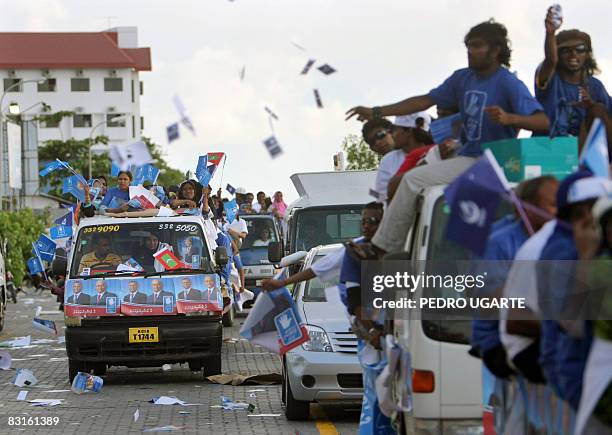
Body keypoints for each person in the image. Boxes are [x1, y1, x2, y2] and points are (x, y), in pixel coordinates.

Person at [346, 20, 549, 258]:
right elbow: (424, 101)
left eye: (477, 46)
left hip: (494, 161)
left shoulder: (508, 83)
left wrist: (509, 118)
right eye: (468, 47)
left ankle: (382, 248)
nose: (470, 52)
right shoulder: (463, 78)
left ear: (495, 50)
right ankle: (388, 247)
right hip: (468, 157)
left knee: (413, 181)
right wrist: (377, 112)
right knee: (411, 180)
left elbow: (543, 121)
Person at [262, 202, 383, 292]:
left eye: (371, 221)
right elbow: (317, 268)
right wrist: (283, 282)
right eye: (363, 222)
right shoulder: (353, 249)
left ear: (384, 221)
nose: (366, 226)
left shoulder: (399, 246)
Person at [534, 6, 611, 137]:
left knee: (598, 110)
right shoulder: (551, 80)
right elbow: (551, 60)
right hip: (550, 147)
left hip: (585, 150)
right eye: (566, 50)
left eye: (580, 49)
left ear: (587, 54)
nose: (573, 54)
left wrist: (591, 105)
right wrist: (550, 33)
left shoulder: (595, 86)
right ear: (558, 53)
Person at [372, 112, 432, 202]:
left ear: (408, 131)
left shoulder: (436, 153)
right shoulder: (388, 160)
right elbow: (380, 196)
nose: (392, 135)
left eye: (394, 129)